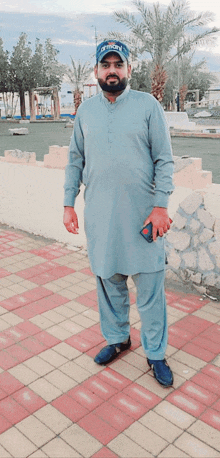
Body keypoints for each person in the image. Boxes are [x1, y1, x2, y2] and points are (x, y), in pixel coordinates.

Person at [63, 40, 174, 387]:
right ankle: (118, 339)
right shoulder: (85, 112)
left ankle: (155, 354)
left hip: (144, 220)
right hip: (101, 219)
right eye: (105, 64)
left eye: (118, 64)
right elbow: (75, 161)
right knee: (109, 285)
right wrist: (68, 204)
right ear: (96, 71)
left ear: (128, 70)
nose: (112, 70)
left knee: (151, 291)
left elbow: (165, 160)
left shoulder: (147, 106)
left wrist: (160, 206)